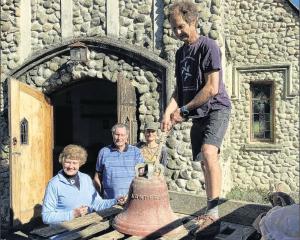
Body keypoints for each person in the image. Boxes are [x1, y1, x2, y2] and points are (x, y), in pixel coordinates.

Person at [161, 0, 231, 234]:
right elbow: (179, 92)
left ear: (193, 21)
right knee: (203, 161)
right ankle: (210, 209)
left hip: (217, 108)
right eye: (173, 28)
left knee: (210, 153)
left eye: (180, 26)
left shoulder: (208, 46)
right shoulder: (181, 53)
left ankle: (213, 212)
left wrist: (183, 111)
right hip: (198, 114)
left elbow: (212, 88)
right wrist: (168, 112)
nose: (177, 32)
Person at [42, 144, 125, 225]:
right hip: (62, 233)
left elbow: (97, 203)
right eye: (68, 162)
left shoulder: (86, 179)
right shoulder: (54, 184)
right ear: (62, 161)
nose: (71, 166)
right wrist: (73, 214)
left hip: (86, 229)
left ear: (80, 163)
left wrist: (115, 201)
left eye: (74, 163)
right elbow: (46, 217)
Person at [94, 123, 144, 199]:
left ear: (127, 136)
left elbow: (142, 175)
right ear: (112, 135)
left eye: (122, 135)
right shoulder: (104, 152)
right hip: (110, 200)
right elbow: (97, 176)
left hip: (131, 199)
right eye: (117, 134)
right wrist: (97, 197)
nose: (119, 138)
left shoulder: (136, 152)